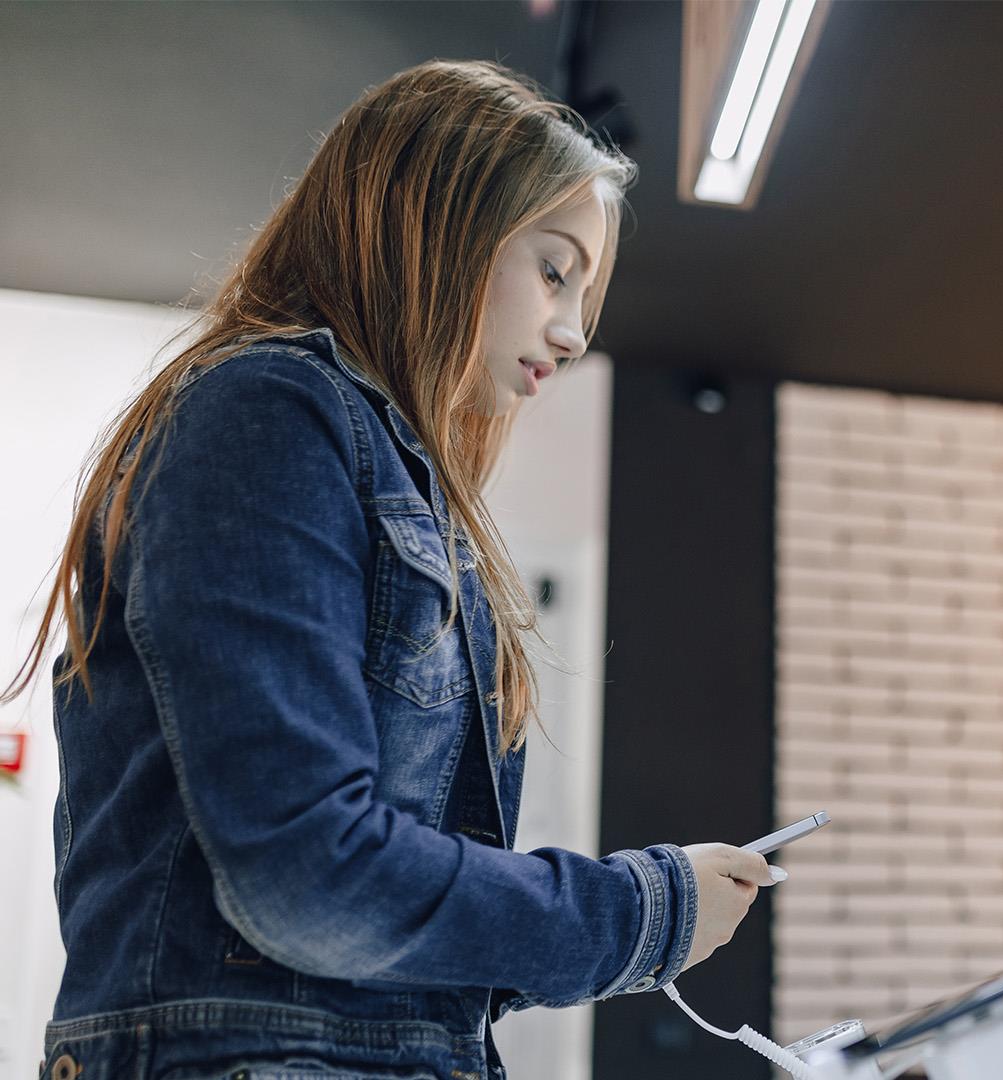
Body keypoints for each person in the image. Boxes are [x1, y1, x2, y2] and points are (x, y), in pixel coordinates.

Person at [1, 60, 774, 1080]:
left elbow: (370, 926)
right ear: (441, 224)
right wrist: (639, 911)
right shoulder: (271, 414)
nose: (574, 331)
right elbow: (308, 876)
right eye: (554, 269)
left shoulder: (372, 464)